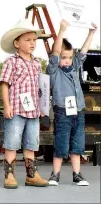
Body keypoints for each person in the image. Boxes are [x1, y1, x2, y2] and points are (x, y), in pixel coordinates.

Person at [0, 19, 49, 189]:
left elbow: (41, 87)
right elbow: (4, 84)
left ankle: (31, 175)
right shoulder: (11, 62)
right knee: (12, 142)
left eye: (34, 40)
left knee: (31, 144)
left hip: (33, 110)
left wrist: (43, 107)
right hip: (16, 109)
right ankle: (9, 175)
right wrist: (7, 106)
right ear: (17, 43)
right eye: (27, 40)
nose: (32, 43)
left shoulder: (37, 63)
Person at [47, 20, 98, 186]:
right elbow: (55, 52)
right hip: (62, 111)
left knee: (77, 144)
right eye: (63, 58)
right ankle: (55, 174)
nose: (67, 61)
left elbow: (83, 52)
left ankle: (77, 174)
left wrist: (91, 33)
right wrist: (61, 30)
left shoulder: (75, 67)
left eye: (69, 57)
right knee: (61, 143)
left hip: (78, 111)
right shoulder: (54, 70)